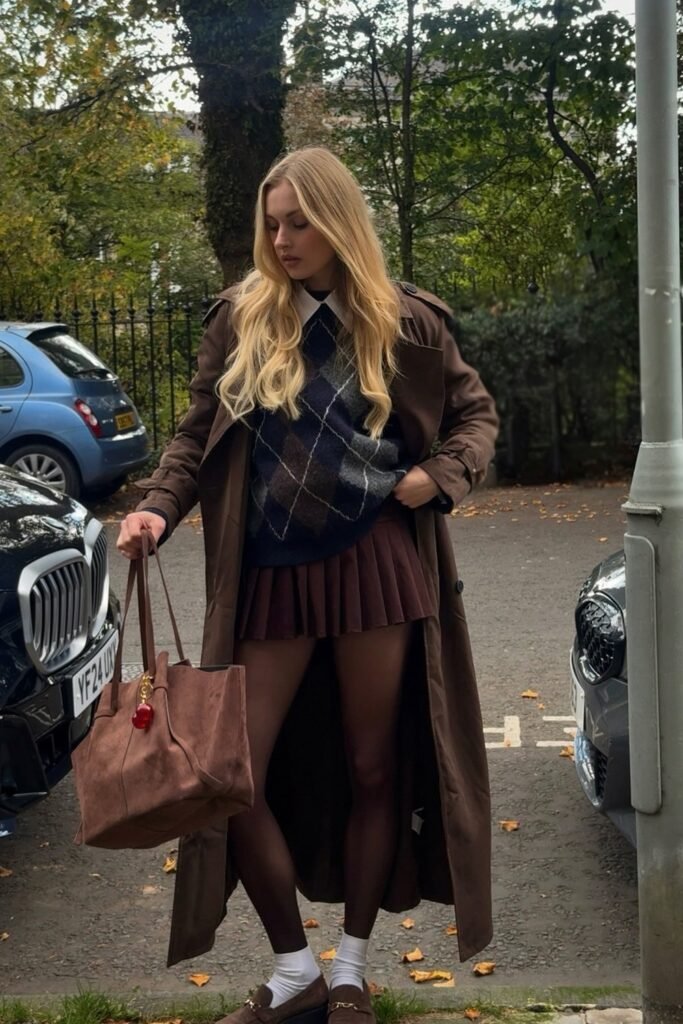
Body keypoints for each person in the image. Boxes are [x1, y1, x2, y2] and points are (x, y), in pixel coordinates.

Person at [117, 147, 498, 1024]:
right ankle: (294, 968)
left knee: (374, 770)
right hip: (271, 579)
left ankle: (352, 970)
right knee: (230, 775)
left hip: (377, 572)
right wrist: (157, 510)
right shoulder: (243, 318)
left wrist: (437, 477)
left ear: (337, 222)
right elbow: (195, 433)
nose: (281, 239)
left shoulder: (406, 322)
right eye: (272, 223)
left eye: (298, 222)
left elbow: (476, 414)